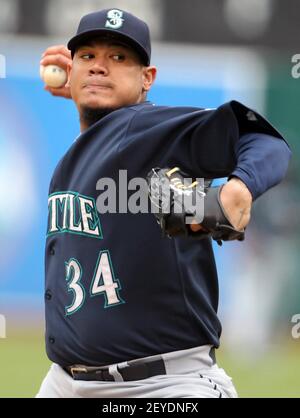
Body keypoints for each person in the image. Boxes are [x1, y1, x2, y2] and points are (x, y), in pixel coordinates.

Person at [37, 8, 291, 398]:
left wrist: (239, 190)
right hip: (64, 383)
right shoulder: (83, 151)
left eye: (119, 58)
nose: (100, 67)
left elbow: (263, 139)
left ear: (147, 79)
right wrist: (83, 92)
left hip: (161, 386)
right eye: (88, 56)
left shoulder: (150, 129)